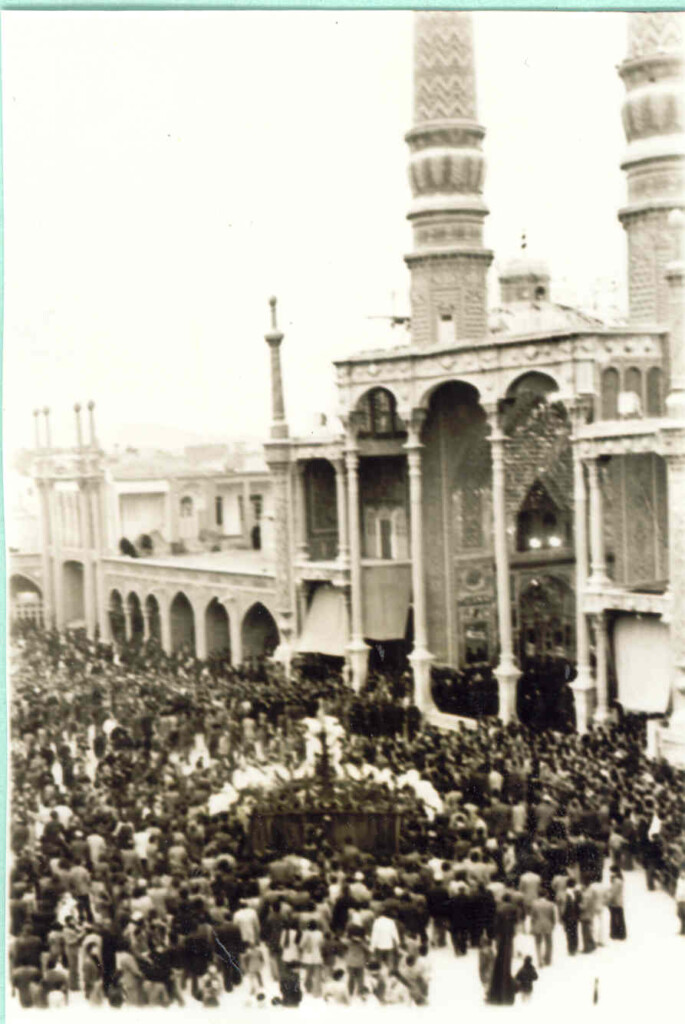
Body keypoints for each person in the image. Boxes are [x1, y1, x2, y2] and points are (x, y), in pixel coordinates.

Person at [487, 894, 517, 1005]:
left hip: (501, 936)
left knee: (500, 958)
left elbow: (496, 924)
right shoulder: (513, 908)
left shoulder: (499, 909)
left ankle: (497, 989)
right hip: (509, 935)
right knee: (507, 959)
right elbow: (515, 921)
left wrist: (494, 937)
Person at [529, 891, 556, 967]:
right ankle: (548, 960)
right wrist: (553, 925)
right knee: (549, 943)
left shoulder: (534, 904)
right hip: (548, 924)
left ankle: (540, 960)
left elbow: (533, 917)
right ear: (546, 895)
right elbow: (553, 917)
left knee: (538, 943)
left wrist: (532, 926)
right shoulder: (551, 904)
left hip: (537, 924)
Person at [607, 868, 627, 940]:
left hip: (615, 903)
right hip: (619, 902)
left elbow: (613, 893)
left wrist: (608, 900)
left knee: (615, 919)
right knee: (619, 918)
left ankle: (616, 934)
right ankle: (620, 934)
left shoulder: (616, 881)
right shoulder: (619, 880)